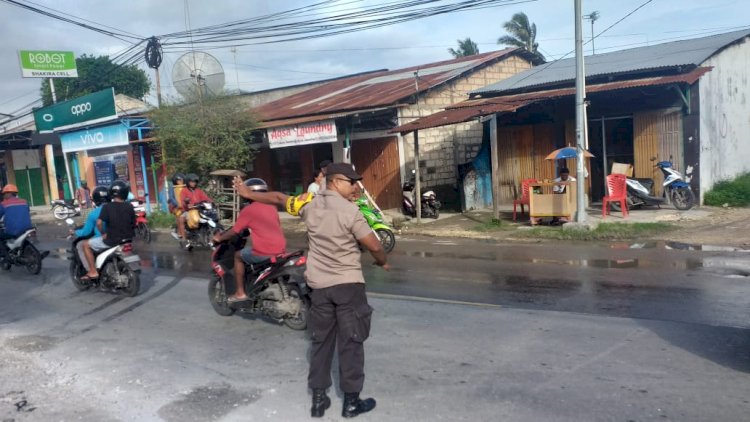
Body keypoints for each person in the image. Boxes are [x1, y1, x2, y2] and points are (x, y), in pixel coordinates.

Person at [233, 163, 388, 419]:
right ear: (337, 182)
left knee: (321, 343)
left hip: (319, 288)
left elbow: (279, 198)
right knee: (351, 343)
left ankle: (318, 402)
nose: (356, 187)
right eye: (352, 182)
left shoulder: (308, 204)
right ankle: (351, 403)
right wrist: (382, 261)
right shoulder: (351, 212)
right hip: (348, 286)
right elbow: (373, 244)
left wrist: (249, 194)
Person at [212, 178, 286, 303]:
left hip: (264, 251)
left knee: (238, 256)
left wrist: (219, 237)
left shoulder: (248, 210)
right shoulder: (272, 206)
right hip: (281, 249)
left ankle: (240, 293)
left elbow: (234, 231)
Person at [81, 181, 135, 281]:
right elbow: (133, 223)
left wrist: (103, 234)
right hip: (128, 239)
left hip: (112, 240)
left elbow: (99, 223)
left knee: (85, 245)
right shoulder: (129, 206)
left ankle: (93, 271)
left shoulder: (107, 207)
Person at [71, 186, 110, 274]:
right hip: (120, 237)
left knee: (81, 245)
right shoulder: (115, 208)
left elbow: (86, 232)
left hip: (103, 239)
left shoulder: (94, 214)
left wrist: (75, 232)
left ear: (95, 199)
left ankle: (91, 270)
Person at [176, 173, 212, 245]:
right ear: (187, 182)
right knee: (181, 219)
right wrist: (186, 203)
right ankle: (183, 238)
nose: (194, 183)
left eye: (195, 182)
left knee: (209, 217)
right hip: (188, 210)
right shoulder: (184, 191)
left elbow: (205, 197)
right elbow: (183, 201)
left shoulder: (199, 190)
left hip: (199, 210)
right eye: (192, 182)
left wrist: (211, 201)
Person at [0, 184, 33, 262]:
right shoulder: (25, 201)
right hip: (28, 228)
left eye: (4, 194)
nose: (3, 196)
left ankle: (5, 256)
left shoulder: (3, 204)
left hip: (13, 231)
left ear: (9, 193)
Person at [168, 173, 186, 240]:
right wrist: (178, 204)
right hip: (176, 206)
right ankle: (179, 234)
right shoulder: (172, 187)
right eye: (179, 180)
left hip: (185, 206)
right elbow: (171, 197)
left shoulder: (184, 186)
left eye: (182, 180)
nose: (181, 181)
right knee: (179, 217)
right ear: (175, 181)